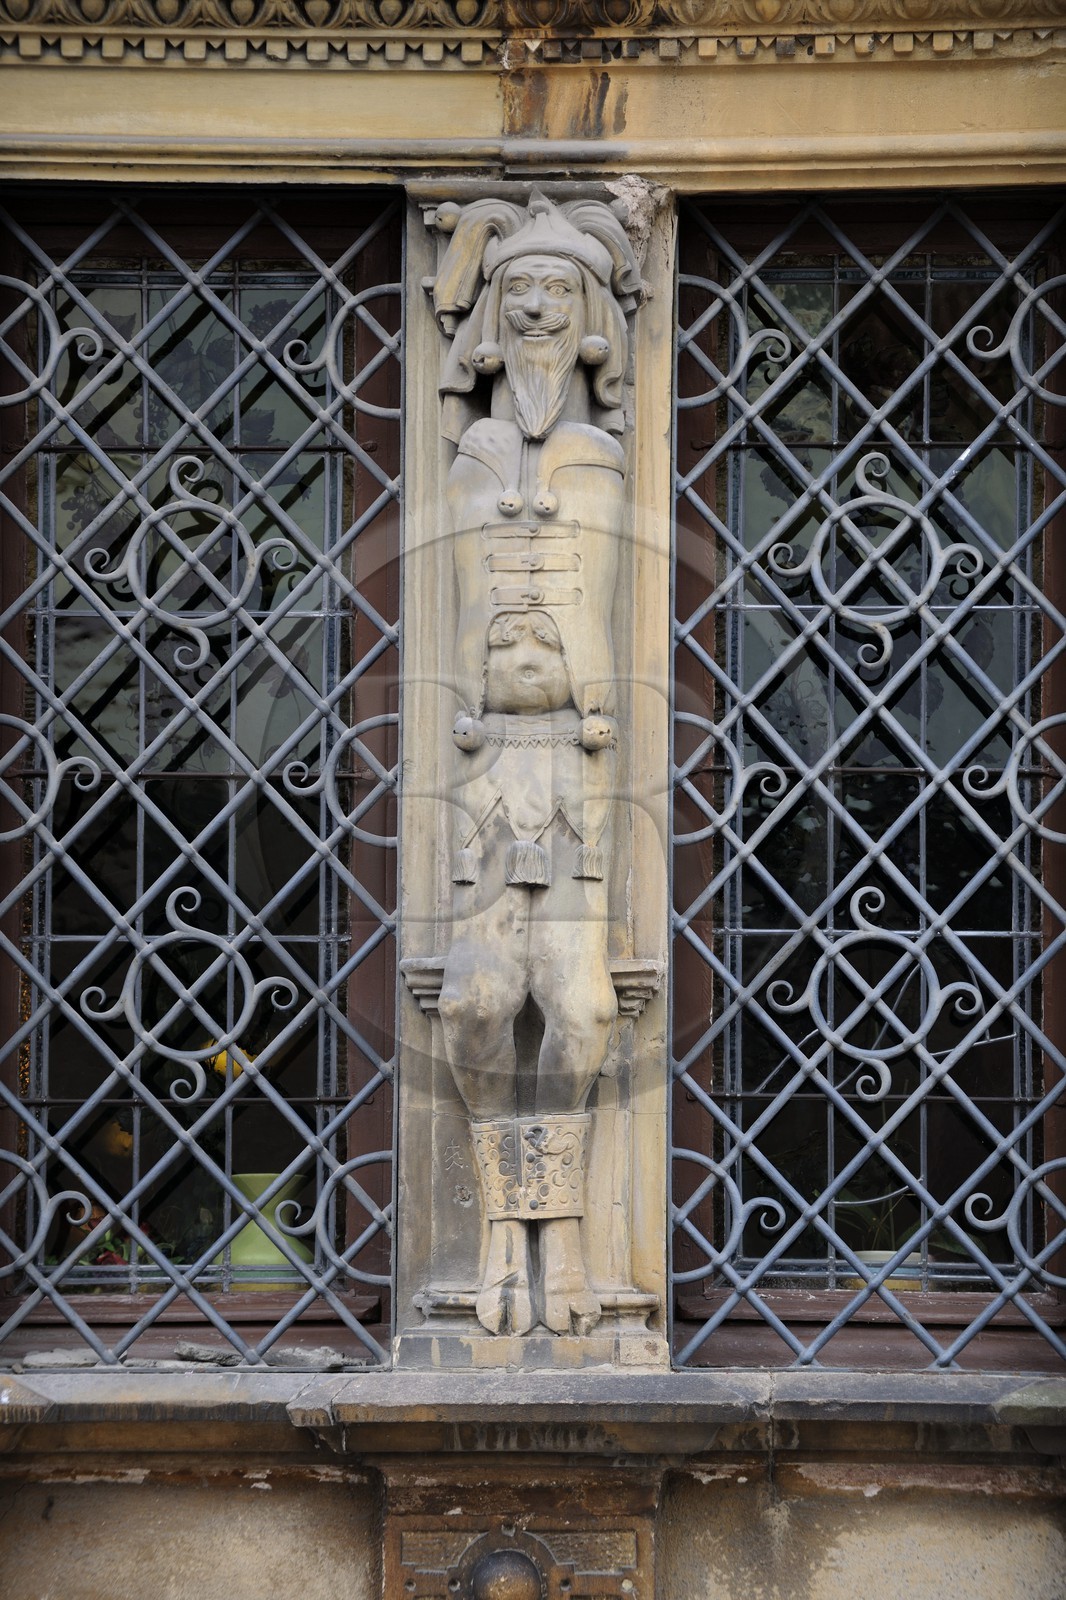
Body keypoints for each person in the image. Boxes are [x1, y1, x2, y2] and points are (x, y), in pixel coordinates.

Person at [431, 193, 641, 1336]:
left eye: (559, 289)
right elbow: (469, 598)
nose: (539, 307)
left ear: (591, 309)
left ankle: (552, 1227)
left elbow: (597, 600)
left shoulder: (597, 452)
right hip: (483, 757)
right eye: (519, 290)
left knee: (581, 1007)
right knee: (472, 1000)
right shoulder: (474, 446)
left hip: (572, 757)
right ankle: (498, 1225)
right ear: (496, 316)